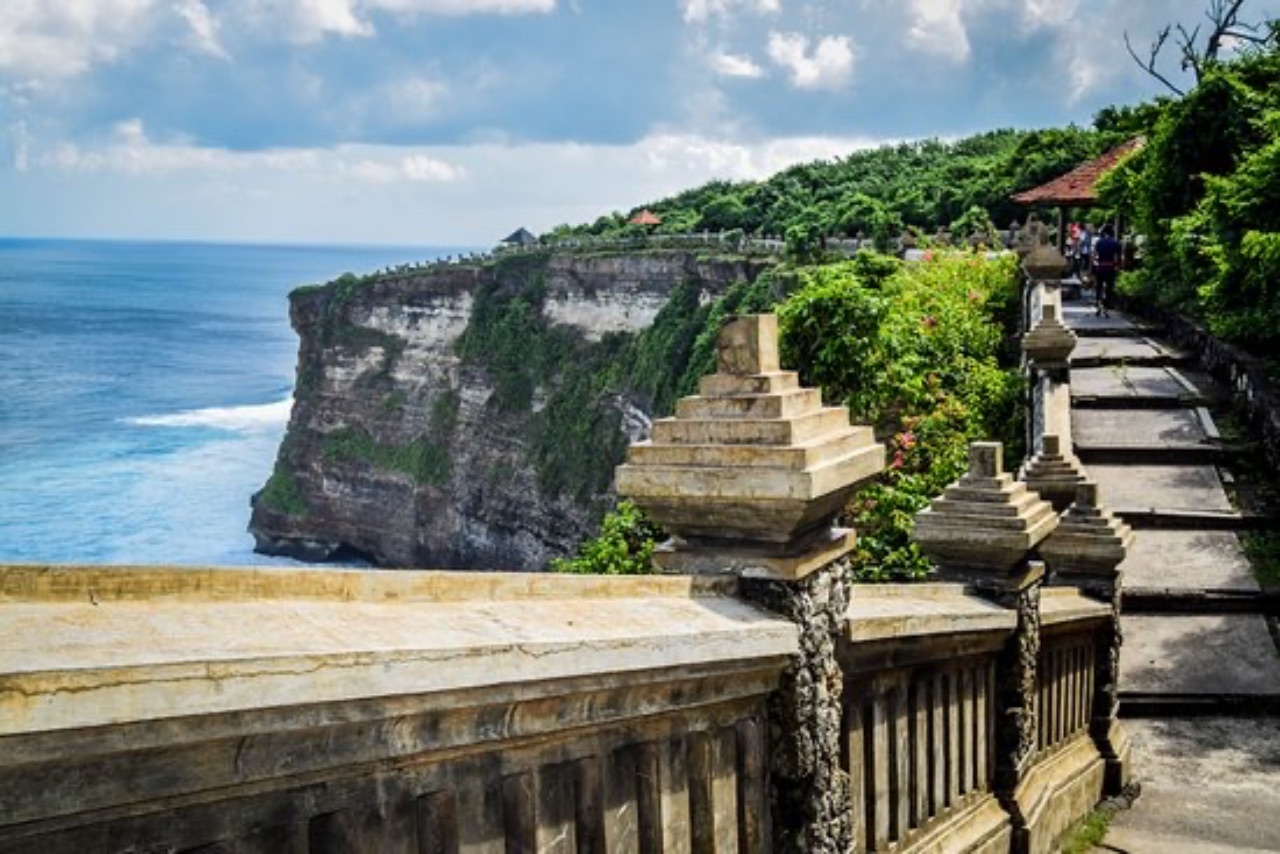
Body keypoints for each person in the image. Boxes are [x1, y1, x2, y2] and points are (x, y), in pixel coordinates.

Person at [1093, 225, 1121, 316]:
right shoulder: (1115, 243)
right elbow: (1118, 257)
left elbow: (1094, 256)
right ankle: (1106, 306)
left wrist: (1093, 268)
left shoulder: (1099, 242)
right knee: (1109, 288)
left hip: (1100, 267)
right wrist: (1118, 267)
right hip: (1110, 267)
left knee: (1099, 287)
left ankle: (1098, 304)